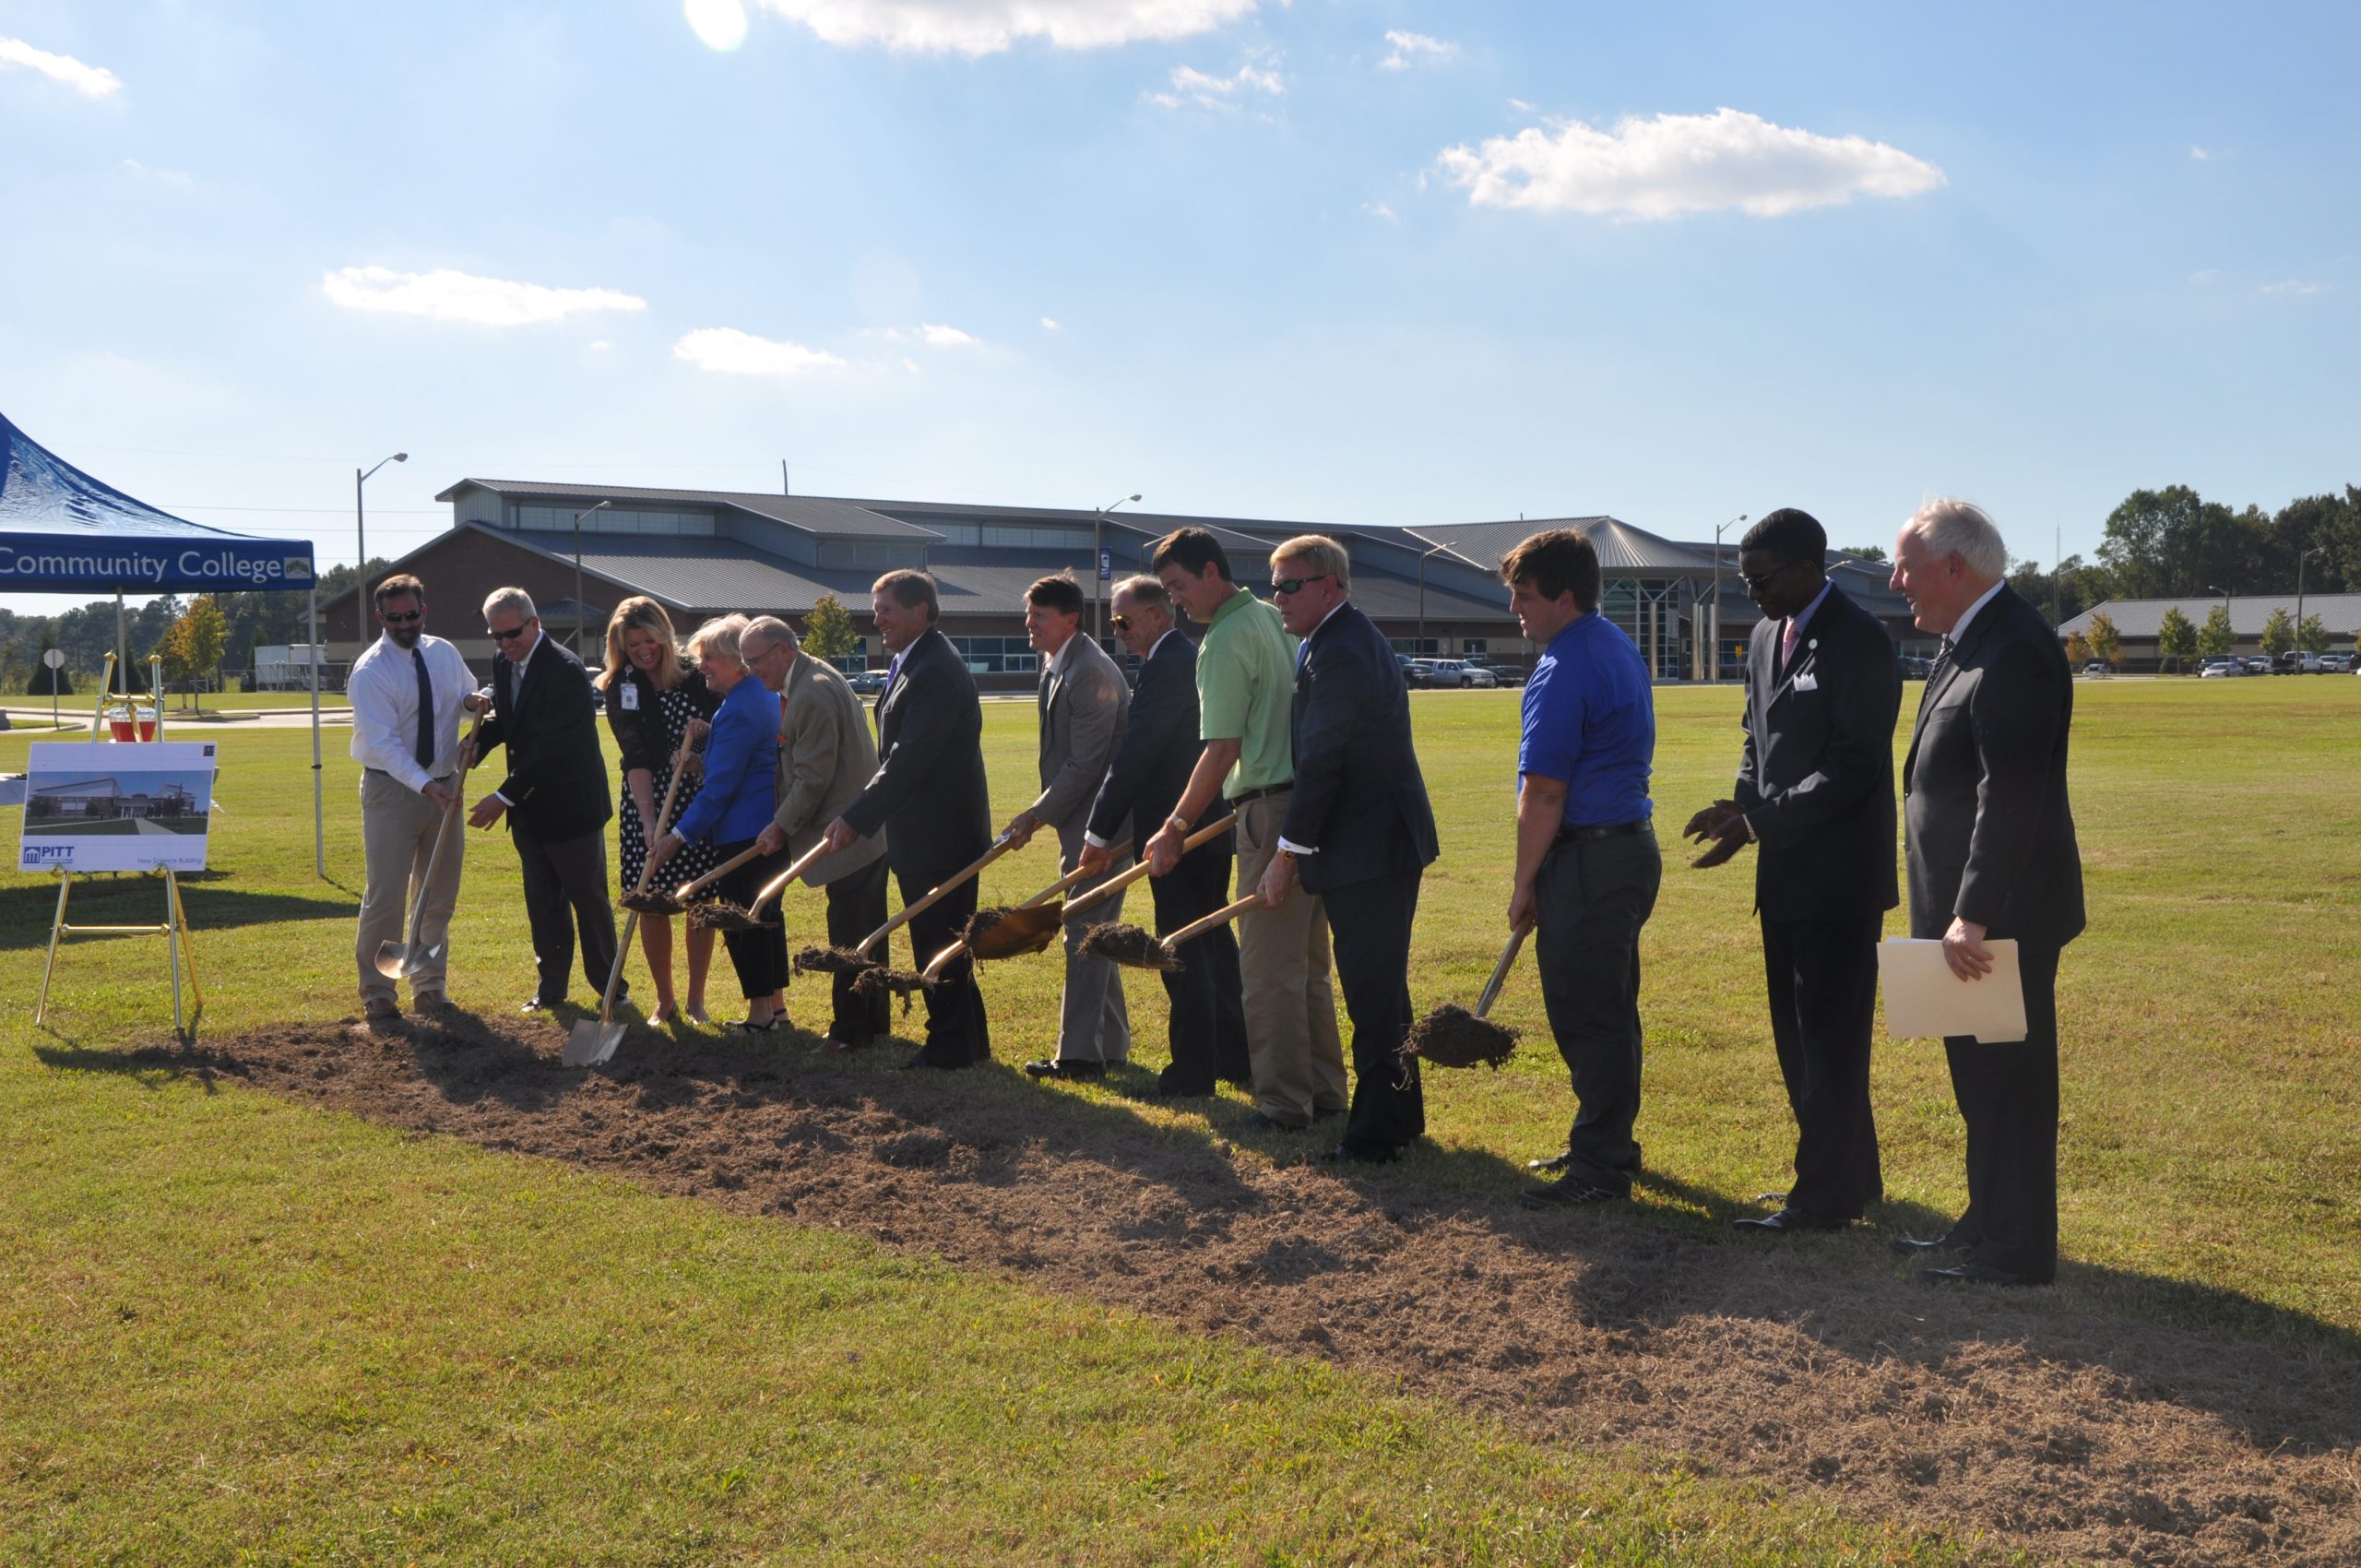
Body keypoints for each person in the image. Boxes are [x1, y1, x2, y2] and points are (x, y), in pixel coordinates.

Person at [1684, 508, 1900, 1232]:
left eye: (1762, 579)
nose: (1752, 593)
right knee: (1797, 1034)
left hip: (1840, 879)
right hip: (1785, 873)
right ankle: (1854, 1177)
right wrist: (1736, 809)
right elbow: (1758, 738)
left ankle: (1821, 1199)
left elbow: (1851, 769)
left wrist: (1761, 823)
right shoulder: (1763, 636)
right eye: (1746, 580)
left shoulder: (1861, 641)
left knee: (1830, 1043)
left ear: (1810, 568)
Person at [1889, 499, 2083, 1287]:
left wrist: (1974, 913)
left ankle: (2018, 1248)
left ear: (1954, 568)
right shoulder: (1967, 641)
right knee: (1978, 1079)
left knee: (2011, 1085)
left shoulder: (2016, 652)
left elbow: (2013, 796)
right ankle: (1987, 1221)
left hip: (2001, 919)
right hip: (1963, 915)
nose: (1896, 580)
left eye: (1906, 566)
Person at [1144, 528, 1346, 1134]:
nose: (1176, 600)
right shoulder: (1267, 614)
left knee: (1264, 971)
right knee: (1307, 965)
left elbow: (1222, 747)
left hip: (1271, 810)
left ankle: (1285, 1102)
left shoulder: (1225, 637)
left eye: (1179, 586)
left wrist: (1176, 824)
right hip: (1304, 806)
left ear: (1212, 573)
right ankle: (1325, 1092)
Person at [1260, 536, 1440, 1164]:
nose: (1276, 598)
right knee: (1383, 992)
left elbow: (1324, 760)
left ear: (1328, 587)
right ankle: (1400, 1118)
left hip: (1371, 848)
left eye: (1289, 586)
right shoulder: (1333, 640)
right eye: (1273, 585)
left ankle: (1377, 1135)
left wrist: (1285, 857)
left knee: (1373, 995)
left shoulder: (1339, 650)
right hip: (1373, 843)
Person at [1501, 529, 1662, 1208]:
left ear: (1565, 597)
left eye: (1526, 595)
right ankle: (1610, 1142)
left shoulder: (1564, 665)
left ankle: (1600, 1164)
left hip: (1590, 857)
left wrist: (1524, 881)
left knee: (1587, 1013)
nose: (1516, 609)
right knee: (1611, 1007)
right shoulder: (1613, 644)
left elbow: (1544, 789)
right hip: (1624, 849)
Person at [1079, 576, 1251, 1097]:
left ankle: (1192, 1073)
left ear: (1158, 615)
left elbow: (1137, 755)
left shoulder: (1171, 663)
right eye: (1113, 622)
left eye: (1124, 621)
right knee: (1212, 948)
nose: (1118, 632)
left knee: (1183, 953)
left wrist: (1099, 832)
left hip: (1184, 836)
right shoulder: (1172, 659)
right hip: (1195, 829)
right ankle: (1233, 1058)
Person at [822, 570, 993, 1069]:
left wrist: (856, 817)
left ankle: (949, 1043)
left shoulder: (936, 668)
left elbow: (909, 757)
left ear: (920, 611)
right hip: (920, 831)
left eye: (887, 610)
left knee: (939, 943)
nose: (878, 620)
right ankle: (965, 1039)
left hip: (942, 834)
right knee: (941, 939)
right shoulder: (912, 659)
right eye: (876, 610)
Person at [466, 587, 624, 1015]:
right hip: (530, 811)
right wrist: (477, 743)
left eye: (512, 633)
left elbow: (551, 747)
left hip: (571, 808)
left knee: (587, 901)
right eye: (496, 635)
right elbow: (511, 721)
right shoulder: (504, 663)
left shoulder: (565, 670)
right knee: (542, 903)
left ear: (535, 624)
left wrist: (502, 797)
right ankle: (551, 988)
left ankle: (611, 987)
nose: (504, 643)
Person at [1003, 571, 1134, 1080]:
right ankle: (1112, 1046)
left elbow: (1086, 765)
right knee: (1093, 929)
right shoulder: (1058, 664)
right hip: (1080, 824)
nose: (1028, 624)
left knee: (1081, 930)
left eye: (1039, 616)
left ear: (1071, 619)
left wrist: (1034, 816)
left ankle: (1079, 1056)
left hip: (1104, 829)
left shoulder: (1089, 673)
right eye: (1028, 614)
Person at [743, 615, 892, 1051]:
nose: (753, 670)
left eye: (756, 661)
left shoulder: (810, 693)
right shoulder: (810, 676)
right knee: (867, 932)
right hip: (858, 832)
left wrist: (779, 826)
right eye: (747, 662)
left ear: (783, 651)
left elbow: (812, 778)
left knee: (850, 936)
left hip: (846, 836)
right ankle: (872, 1024)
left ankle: (851, 1031)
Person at [348, 573, 476, 1021]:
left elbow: (466, 697)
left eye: (411, 616)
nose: (404, 625)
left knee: (438, 894)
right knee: (386, 895)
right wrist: (426, 785)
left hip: (446, 786)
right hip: (392, 791)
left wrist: (480, 703)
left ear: (424, 611)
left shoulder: (444, 652)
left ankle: (429, 985)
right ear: (380, 617)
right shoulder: (371, 670)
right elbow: (384, 744)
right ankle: (378, 991)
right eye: (394, 618)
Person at [651, 615, 787, 1031]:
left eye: (709, 658)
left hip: (744, 833)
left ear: (736, 662)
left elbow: (721, 790)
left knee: (744, 924)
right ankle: (775, 1010)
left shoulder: (739, 709)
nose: (702, 665)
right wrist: (701, 762)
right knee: (766, 919)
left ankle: (761, 1016)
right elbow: (736, 765)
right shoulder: (759, 697)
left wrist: (677, 837)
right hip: (766, 828)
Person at [598, 597, 720, 1024]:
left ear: (665, 636)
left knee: (699, 898)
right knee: (650, 900)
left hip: (696, 801)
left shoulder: (696, 676)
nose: (643, 651)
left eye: (649, 640)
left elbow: (723, 735)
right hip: (644, 800)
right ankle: (664, 999)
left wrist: (699, 751)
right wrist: (649, 822)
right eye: (633, 645)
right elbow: (635, 755)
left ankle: (696, 999)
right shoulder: (622, 687)